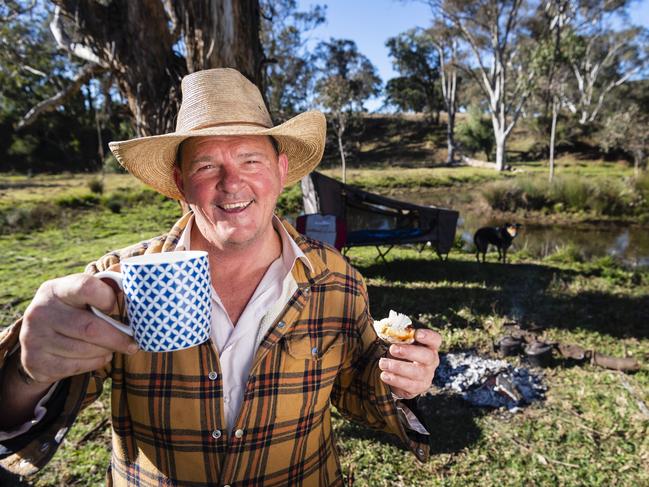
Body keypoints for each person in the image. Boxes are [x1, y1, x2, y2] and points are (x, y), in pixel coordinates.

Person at [0, 68, 441, 486]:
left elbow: (357, 390)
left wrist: (402, 380)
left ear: (281, 172)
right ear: (180, 183)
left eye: (251, 160)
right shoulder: (116, 283)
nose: (232, 183)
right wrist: (25, 373)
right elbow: (16, 418)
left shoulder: (339, 281)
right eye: (207, 166)